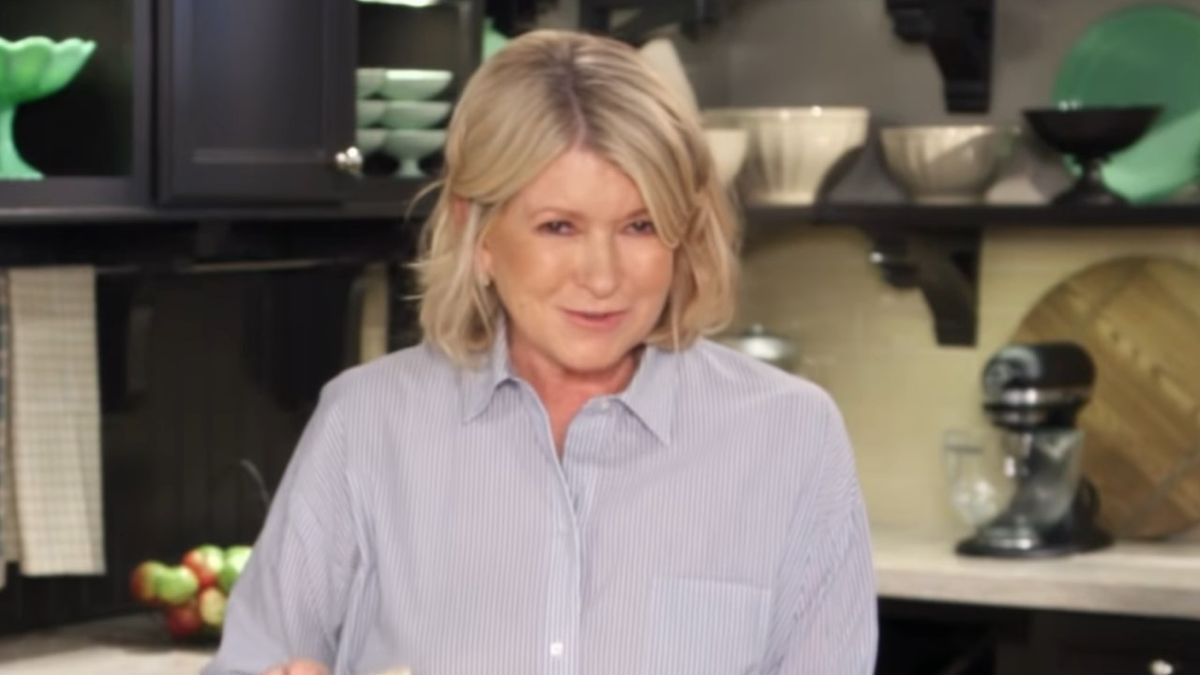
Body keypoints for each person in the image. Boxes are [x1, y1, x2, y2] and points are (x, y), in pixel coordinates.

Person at [205, 28, 877, 675]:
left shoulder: (791, 438)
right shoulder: (365, 423)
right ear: (481, 235)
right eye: (559, 226)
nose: (603, 275)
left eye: (640, 225)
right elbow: (253, 660)